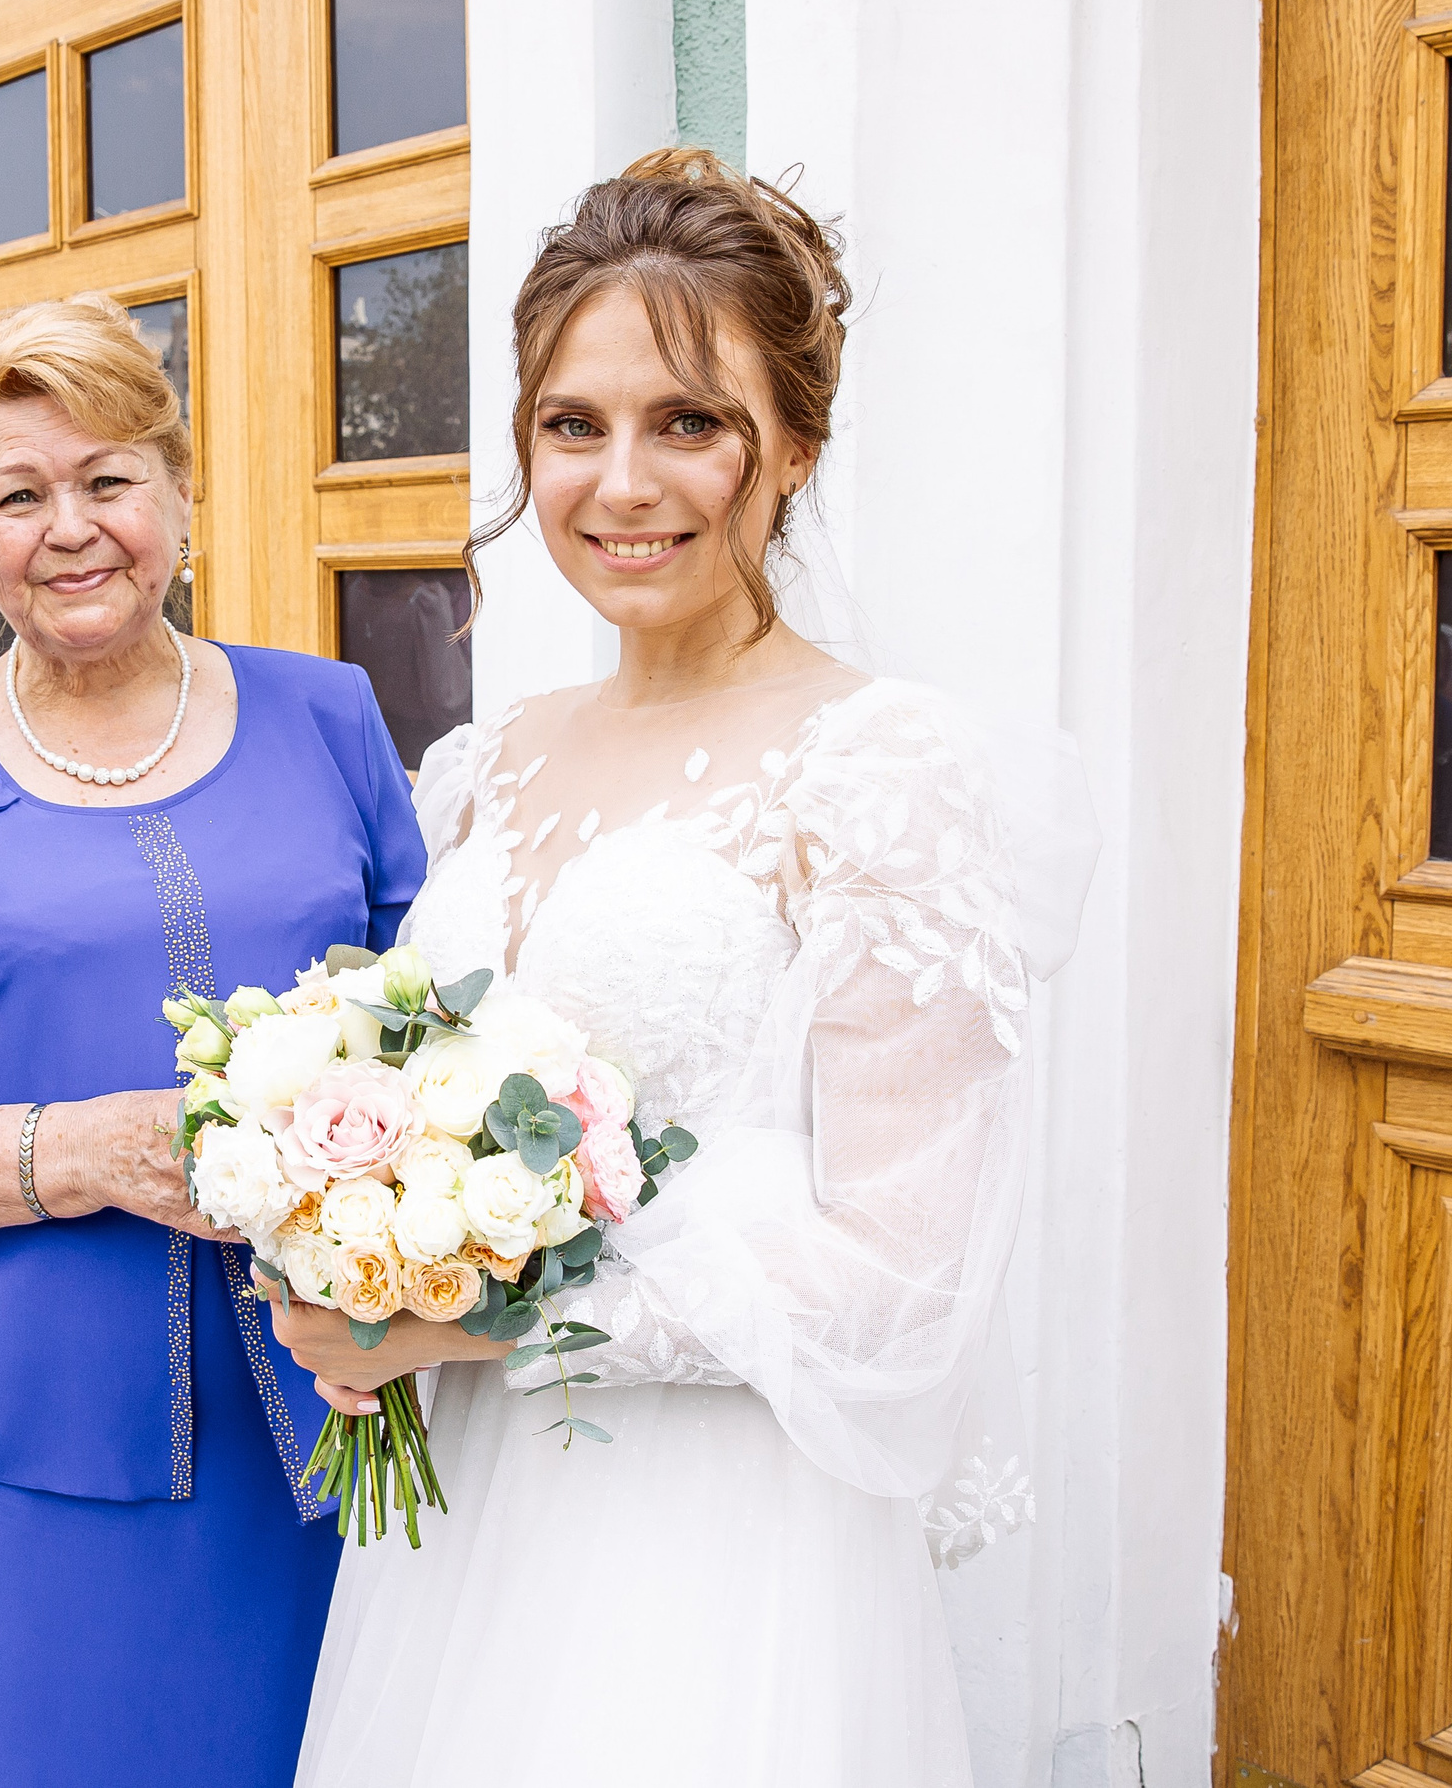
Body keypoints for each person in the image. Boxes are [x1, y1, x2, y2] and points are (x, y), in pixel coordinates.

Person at [279, 151, 1095, 1785]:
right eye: (574, 424)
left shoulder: (877, 769)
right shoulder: (488, 761)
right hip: (475, 1533)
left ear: (791, 445)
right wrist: (349, 1226)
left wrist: (477, 1320)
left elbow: (902, 1276)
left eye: (689, 423)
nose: (621, 481)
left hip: (721, 1551)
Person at [0, 293, 427, 1787]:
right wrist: (91, 1151)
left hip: (328, 1407)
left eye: (108, 479)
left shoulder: (330, 715)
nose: (71, 527)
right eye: (18, 494)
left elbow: (432, 1021)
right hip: (2, 1438)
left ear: (179, 491)